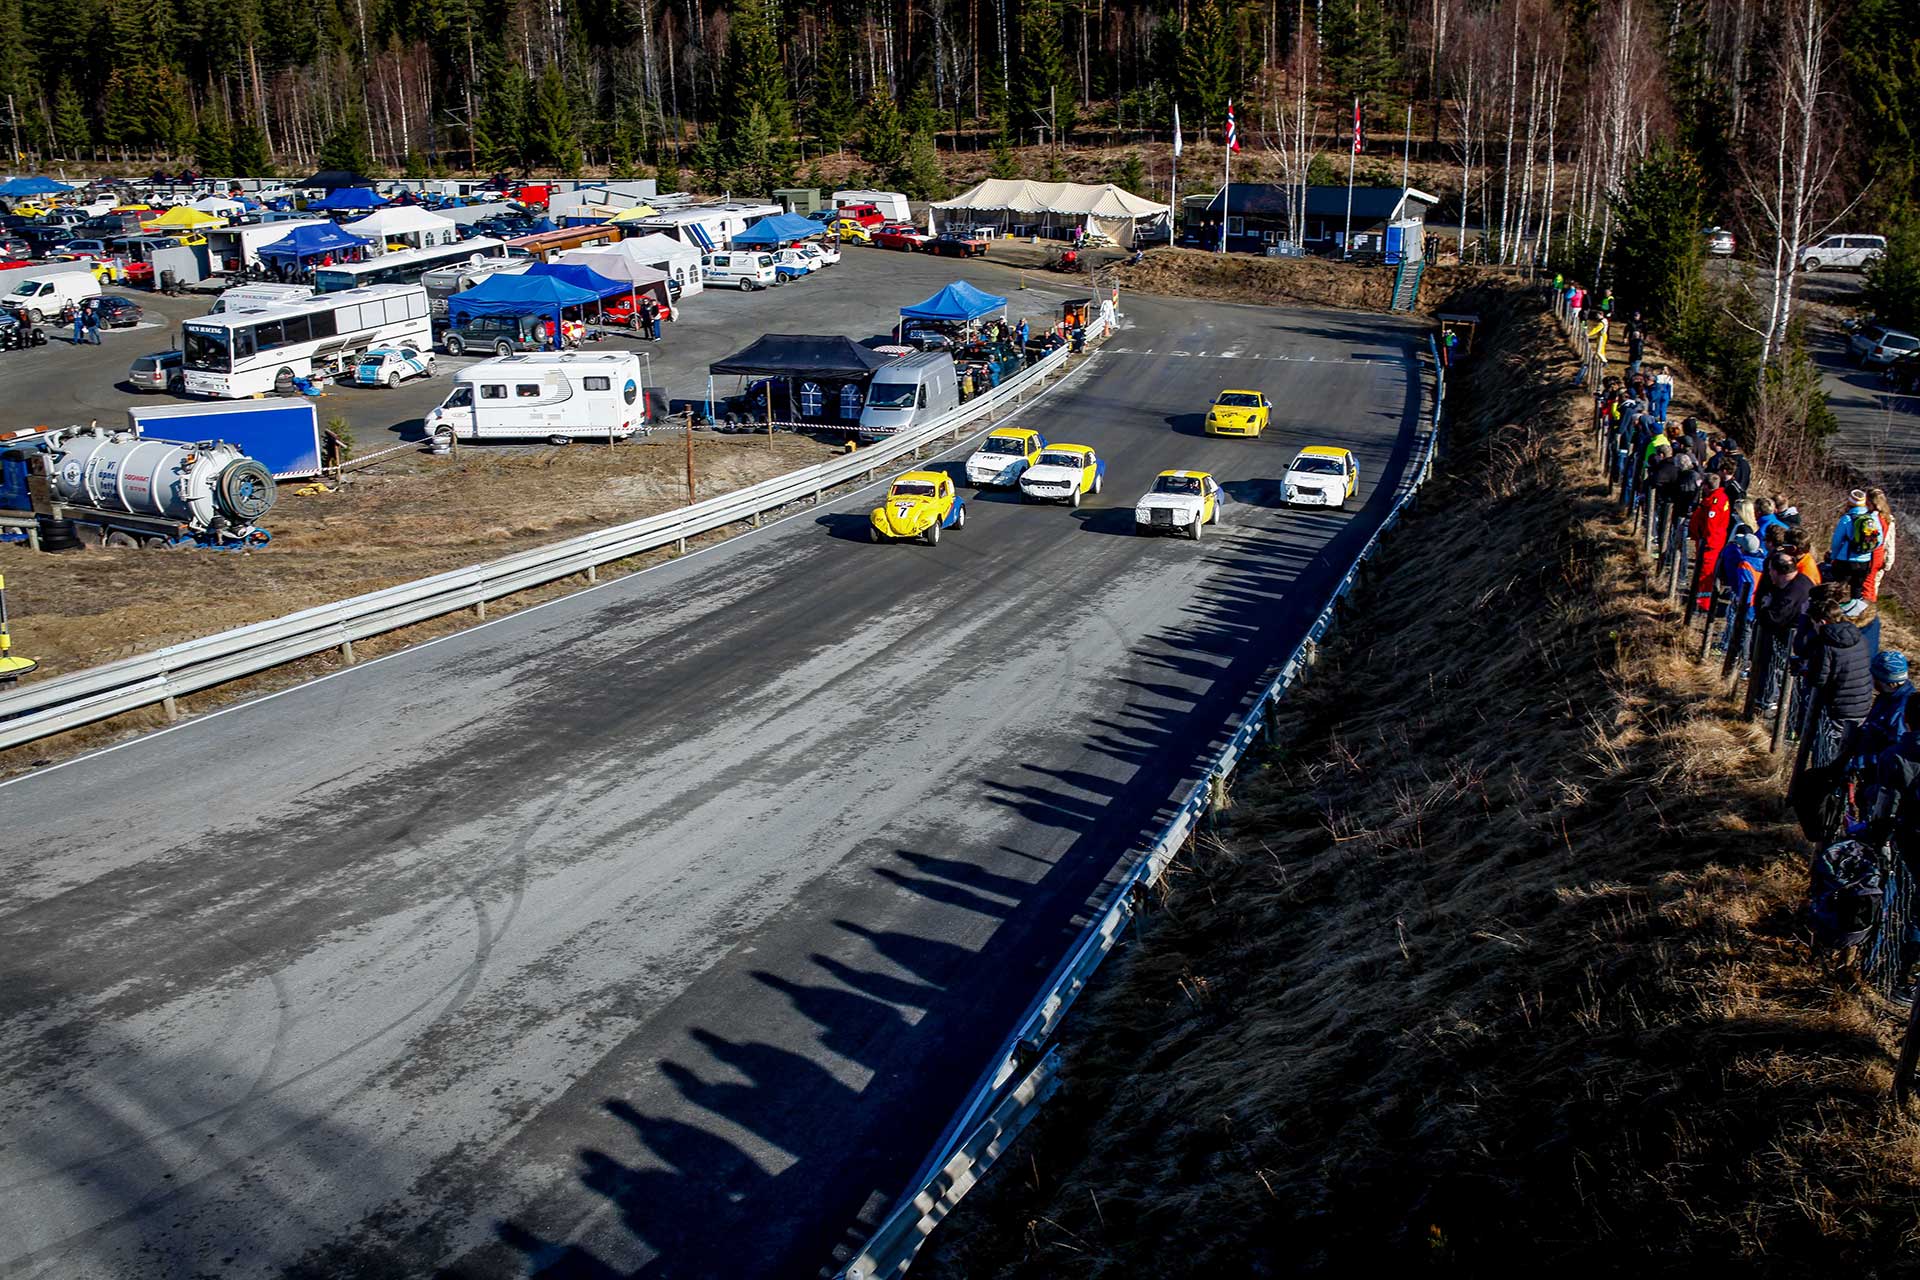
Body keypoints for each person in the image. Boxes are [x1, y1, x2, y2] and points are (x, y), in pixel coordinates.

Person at [1800, 591, 1875, 769]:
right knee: (1847, 752)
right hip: (1862, 704)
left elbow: (1820, 680)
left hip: (1839, 707)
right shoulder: (1859, 636)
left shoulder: (1827, 645)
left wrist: (1806, 672)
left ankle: (1823, 787)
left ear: (1822, 622)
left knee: (1827, 752)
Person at [1753, 550, 1815, 712]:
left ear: (1776, 571)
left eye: (1770, 571)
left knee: (1776, 669)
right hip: (1790, 636)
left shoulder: (1793, 593)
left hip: (1787, 638)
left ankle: (1768, 701)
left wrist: (1766, 606)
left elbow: (1773, 618)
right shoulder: (1801, 582)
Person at [1829, 488, 1883, 597]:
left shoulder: (1847, 518)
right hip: (1864, 561)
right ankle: (1855, 611)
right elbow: (1879, 540)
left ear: (1850, 503)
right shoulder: (1872, 518)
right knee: (1857, 589)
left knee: (1838, 589)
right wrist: (1867, 549)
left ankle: (1835, 610)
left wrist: (1833, 556)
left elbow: (1836, 541)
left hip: (1845, 559)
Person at [1691, 472, 1731, 611]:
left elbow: (1711, 526)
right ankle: (1700, 599)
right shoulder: (1721, 497)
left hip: (1710, 543)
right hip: (1713, 541)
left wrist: (1705, 542)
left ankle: (1703, 603)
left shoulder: (1715, 503)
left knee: (1705, 573)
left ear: (1707, 486)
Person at [1868, 487, 1898, 600]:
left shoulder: (1867, 517)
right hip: (1880, 558)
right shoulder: (1888, 519)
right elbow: (1890, 543)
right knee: (1873, 587)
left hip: (1870, 556)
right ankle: (1868, 610)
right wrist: (1889, 561)